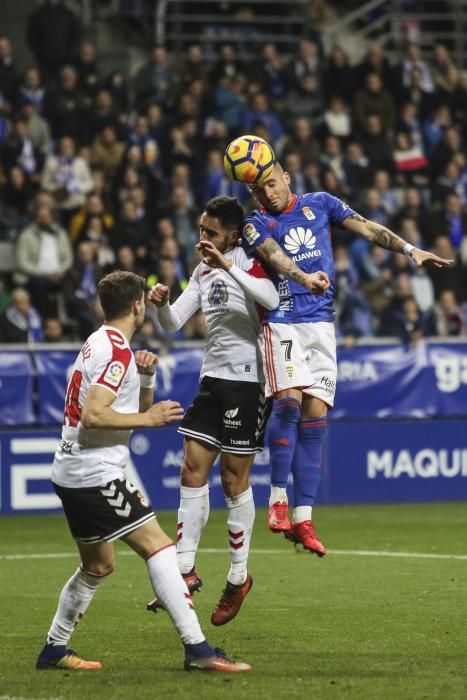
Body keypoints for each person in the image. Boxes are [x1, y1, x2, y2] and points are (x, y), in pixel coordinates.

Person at [36, 270, 250, 673]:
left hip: (72, 470)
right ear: (138, 305)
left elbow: (121, 415)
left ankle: (54, 650)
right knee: (161, 549)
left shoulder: (100, 343)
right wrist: (151, 418)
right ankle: (198, 649)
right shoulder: (115, 352)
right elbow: (94, 416)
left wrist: (147, 379)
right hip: (94, 473)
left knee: (98, 566)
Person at [241, 159, 453, 556]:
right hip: (282, 320)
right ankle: (277, 501)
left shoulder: (320, 203)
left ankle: (304, 517)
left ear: (287, 176)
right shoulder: (254, 223)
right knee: (287, 402)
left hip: (321, 325)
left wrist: (410, 250)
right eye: (259, 190)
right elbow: (272, 256)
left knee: (315, 418)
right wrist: (304, 279)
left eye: (271, 183)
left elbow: (368, 227)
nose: (267, 193)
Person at [146, 196, 279, 625]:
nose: (203, 239)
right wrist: (161, 303)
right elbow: (173, 323)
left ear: (233, 236)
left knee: (233, 479)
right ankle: (184, 570)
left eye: (211, 233)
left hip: (247, 380)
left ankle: (239, 577)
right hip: (212, 378)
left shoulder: (251, 259)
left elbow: (271, 299)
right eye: (202, 230)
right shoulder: (202, 269)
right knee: (191, 469)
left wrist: (229, 265)